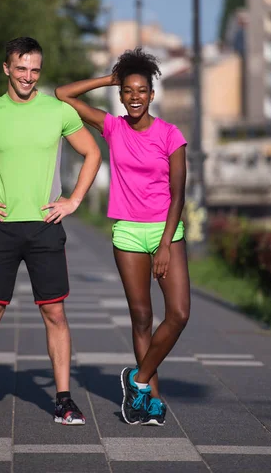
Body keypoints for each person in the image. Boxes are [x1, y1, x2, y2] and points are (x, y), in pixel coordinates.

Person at [0, 37, 101, 426]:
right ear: (7, 69)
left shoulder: (57, 110)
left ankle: (64, 400)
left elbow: (93, 152)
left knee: (55, 314)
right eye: (21, 68)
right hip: (1, 228)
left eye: (35, 70)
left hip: (46, 226)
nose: (28, 76)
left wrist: (74, 200)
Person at [55, 48, 190, 426]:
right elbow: (64, 94)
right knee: (142, 317)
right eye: (127, 90)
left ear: (151, 94)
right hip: (127, 232)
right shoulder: (112, 127)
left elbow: (179, 194)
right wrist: (108, 78)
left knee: (178, 314)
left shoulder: (170, 135)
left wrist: (165, 244)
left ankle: (138, 379)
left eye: (141, 90)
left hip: (166, 232)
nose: (134, 97)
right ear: (121, 94)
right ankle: (151, 400)